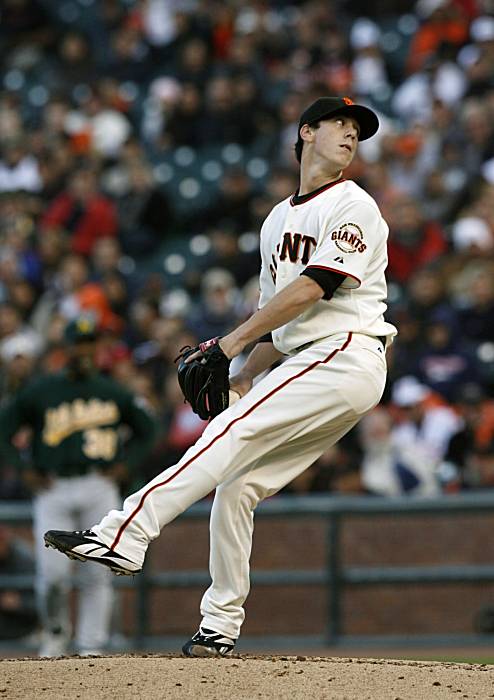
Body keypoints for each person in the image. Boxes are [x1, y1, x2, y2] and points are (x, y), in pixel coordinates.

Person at [44, 96, 397, 657]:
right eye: (340, 124)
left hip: (344, 352)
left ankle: (122, 534)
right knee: (237, 487)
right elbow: (276, 321)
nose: (351, 136)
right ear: (306, 131)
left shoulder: (355, 205)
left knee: (225, 437)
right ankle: (220, 624)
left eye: (358, 130)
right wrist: (240, 378)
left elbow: (312, 290)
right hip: (313, 358)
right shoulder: (277, 220)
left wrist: (227, 345)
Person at [0, 315, 156, 657]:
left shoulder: (112, 391)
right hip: (52, 487)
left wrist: (125, 466)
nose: (84, 350)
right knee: (53, 573)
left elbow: (149, 429)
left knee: (97, 572)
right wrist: (22, 469)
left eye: (91, 343)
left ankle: (90, 646)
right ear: (66, 347)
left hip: (98, 484)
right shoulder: (42, 390)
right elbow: (4, 428)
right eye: (78, 343)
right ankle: (55, 632)